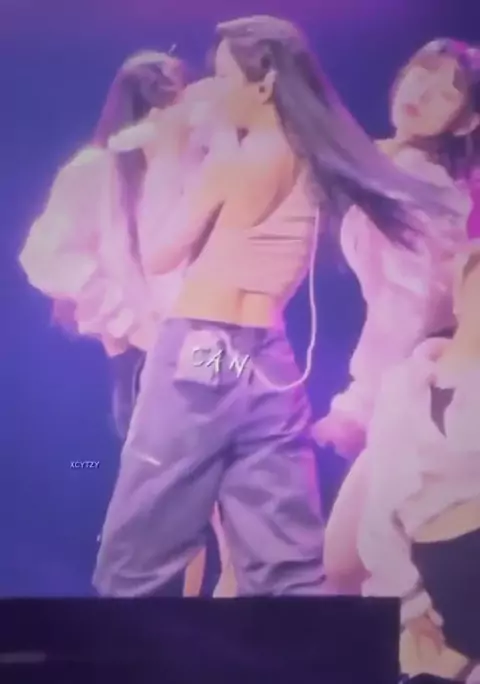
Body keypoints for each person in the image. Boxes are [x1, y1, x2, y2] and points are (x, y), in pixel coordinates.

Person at [92, 15, 454, 598]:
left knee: (142, 543)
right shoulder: (316, 157)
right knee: (285, 558)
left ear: (262, 85)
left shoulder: (240, 159)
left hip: (204, 351)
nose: (213, 92)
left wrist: (169, 154)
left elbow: (159, 252)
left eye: (223, 78)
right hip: (265, 365)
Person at [19, 50, 223, 595]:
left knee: (224, 490)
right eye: (161, 101)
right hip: (145, 354)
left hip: (211, 338)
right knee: (171, 502)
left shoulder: (201, 164)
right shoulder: (97, 169)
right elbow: (44, 254)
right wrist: (122, 316)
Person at [316, 39, 480, 591]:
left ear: (467, 121)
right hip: (401, 385)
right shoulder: (391, 163)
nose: (422, 93)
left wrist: (359, 409)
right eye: (420, 72)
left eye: (446, 92)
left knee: (354, 568)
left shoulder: (424, 185)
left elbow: (410, 310)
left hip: (413, 390)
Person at [357, 241, 480, 681]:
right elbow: (378, 509)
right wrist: (408, 598)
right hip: (431, 568)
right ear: (460, 293)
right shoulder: (400, 387)